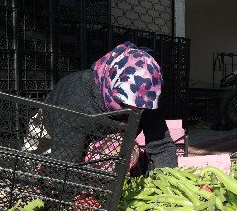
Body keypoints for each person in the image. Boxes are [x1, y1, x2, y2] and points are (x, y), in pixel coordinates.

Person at [44, 42, 177, 174]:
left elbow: (160, 145)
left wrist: (168, 181)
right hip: (55, 134)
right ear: (113, 88)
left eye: (141, 107)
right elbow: (65, 161)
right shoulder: (78, 97)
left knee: (122, 160)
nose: (136, 110)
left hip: (103, 137)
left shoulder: (147, 97)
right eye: (128, 104)